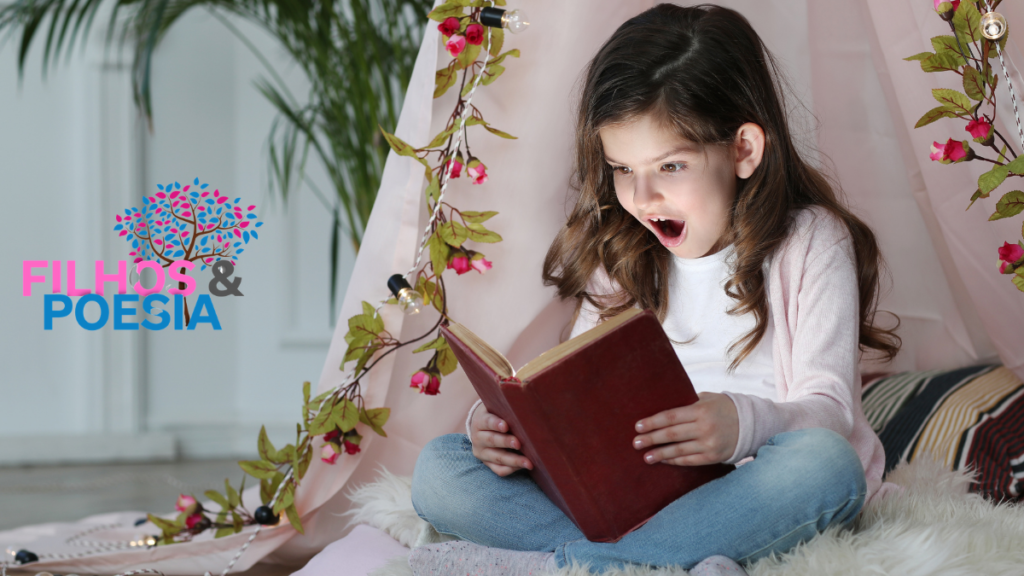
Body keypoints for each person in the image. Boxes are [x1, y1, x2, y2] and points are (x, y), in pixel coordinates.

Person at [407, 3, 902, 575]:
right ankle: (642, 562)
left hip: (749, 491)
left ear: (743, 150)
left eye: (669, 167)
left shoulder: (811, 241)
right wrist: (500, 432)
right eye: (622, 169)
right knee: (441, 467)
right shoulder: (622, 255)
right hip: (630, 501)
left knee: (825, 464)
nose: (641, 199)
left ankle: (573, 565)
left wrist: (739, 426)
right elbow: (570, 393)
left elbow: (831, 413)